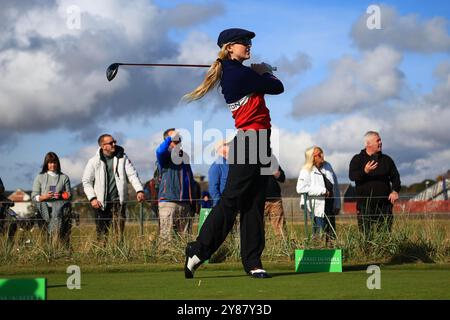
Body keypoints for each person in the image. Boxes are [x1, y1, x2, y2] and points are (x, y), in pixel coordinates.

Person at [183, 28, 284, 279]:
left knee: (254, 202)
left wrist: (260, 73)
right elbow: (278, 87)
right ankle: (198, 250)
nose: (248, 45)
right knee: (232, 199)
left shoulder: (239, 71)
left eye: (249, 41)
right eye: (243, 42)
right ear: (229, 48)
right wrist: (265, 72)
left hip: (260, 140)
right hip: (249, 140)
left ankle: (252, 261)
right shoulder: (238, 74)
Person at [82, 134, 145, 243]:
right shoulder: (93, 161)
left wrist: (139, 190)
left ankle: (119, 255)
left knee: (119, 233)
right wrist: (92, 198)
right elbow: (86, 181)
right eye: (111, 143)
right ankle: (102, 255)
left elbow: (132, 175)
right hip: (100, 203)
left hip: (118, 202)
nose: (114, 144)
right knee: (102, 234)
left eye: (114, 141)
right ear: (103, 146)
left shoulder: (123, 158)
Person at [349, 131, 400, 238]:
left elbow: (395, 177)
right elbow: (352, 176)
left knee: (385, 235)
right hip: (365, 206)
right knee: (366, 236)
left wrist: (395, 190)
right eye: (378, 140)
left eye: (380, 140)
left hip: (384, 206)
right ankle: (367, 254)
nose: (381, 142)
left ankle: (386, 255)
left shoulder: (386, 160)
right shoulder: (357, 159)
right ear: (368, 144)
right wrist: (365, 171)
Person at [156, 128, 196, 244]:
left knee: (185, 238)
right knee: (166, 238)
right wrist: (170, 138)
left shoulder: (185, 156)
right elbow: (159, 151)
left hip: (185, 202)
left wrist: (192, 200)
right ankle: (163, 260)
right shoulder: (165, 156)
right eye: (175, 139)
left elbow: (190, 179)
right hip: (168, 201)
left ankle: (183, 258)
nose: (178, 140)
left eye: (179, 138)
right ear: (168, 141)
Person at [296, 146, 341, 242]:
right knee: (320, 232)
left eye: (322, 152)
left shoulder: (328, 166)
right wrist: (322, 191)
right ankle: (319, 251)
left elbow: (335, 185)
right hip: (316, 206)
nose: (322, 155)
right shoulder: (306, 170)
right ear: (312, 157)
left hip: (330, 204)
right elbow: (301, 188)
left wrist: (337, 203)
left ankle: (331, 251)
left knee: (331, 232)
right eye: (319, 154)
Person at [31, 152, 72, 246]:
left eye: (54, 162)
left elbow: (69, 195)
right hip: (43, 211)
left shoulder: (64, 177)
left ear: (57, 163)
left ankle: (60, 252)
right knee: (45, 235)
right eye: (50, 163)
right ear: (46, 164)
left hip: (60, 211)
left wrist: (61, 195)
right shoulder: (39, 177)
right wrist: (44, 197)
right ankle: (48, 253)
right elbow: (34, 196)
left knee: (61, 234)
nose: (52, 165)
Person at [264, 163, 287, 238]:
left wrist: (276, 173)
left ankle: (282, 248)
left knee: (280, 230)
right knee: (256, 228)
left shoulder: (271, 159)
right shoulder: (250, 158)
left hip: (275, 200)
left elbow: (282, 178)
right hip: (257, 200)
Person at [208, 139, 230, 206]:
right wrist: (220, 205)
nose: (230, 146)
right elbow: (213, 189)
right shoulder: (216, 165)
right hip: (223, 207)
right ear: (221, 149)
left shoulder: (230, 164)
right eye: (226, 145)